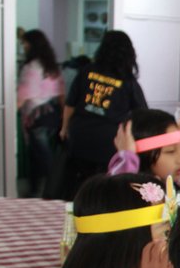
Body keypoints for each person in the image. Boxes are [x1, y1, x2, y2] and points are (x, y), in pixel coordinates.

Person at [55, 30, 148, 200]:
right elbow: (142, 113)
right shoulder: (128, 81)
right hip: (108, 142)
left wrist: (64, 128)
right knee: (104, 186)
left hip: (80, 136)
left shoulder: (86, 71)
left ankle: (77, 205)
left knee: (78, 182)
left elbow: (70, 105)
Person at [108, 108, 180, 202]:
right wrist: (128, 156)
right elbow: (116, 192)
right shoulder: (134, 189)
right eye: (170, 151)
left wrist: (177, 136)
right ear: (143, 154)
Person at [16, 28, 65, 197]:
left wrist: (7, 116)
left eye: (24, 44)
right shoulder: (51, 66)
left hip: (35, 118)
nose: (23, 47)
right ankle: (36, 191)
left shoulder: (31, 68)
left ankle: (53, 192)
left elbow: (23, 95)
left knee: (42, 159)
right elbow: (61, 94)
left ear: (31, 45)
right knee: (39, 157)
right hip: (51, 116)